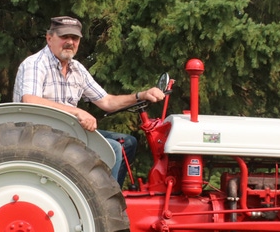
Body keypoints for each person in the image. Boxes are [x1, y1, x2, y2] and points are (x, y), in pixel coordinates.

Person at [13, 16, 166, 186]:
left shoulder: (77, 69)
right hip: (39, 134)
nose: (70, 42)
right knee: (113, 149)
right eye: (64, 37)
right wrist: (77, 111)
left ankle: (114, 195)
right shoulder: (36, 64)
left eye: (75, 38)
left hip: (67, 131)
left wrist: (141, 95)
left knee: (127, 143)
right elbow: (30, 100)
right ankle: (104, 205)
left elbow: (107, 101)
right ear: (49, 38)